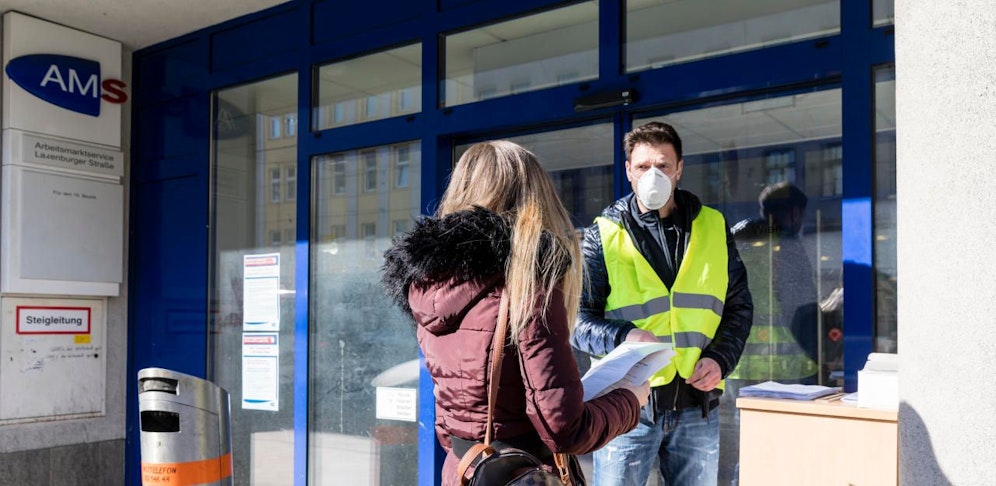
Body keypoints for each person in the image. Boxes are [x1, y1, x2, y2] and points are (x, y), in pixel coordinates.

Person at [381, 140, 651, 486]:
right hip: (521, 473)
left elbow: (449, 420)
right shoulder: (527, 282)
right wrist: (630, 400)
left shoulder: (430, 283)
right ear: (536, 200)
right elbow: (565, 429)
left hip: (465, 471)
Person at [571, 121, 753, 486]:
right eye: (642, 167)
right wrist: (624, 337)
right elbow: (577, 321)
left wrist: (720, 359)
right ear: (628, 171)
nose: (653, 175)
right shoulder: (603, 234)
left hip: (698, 405)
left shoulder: (713, 226)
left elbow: (738, 307)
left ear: (679, 169)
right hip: (627, 407)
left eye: (663, 165)